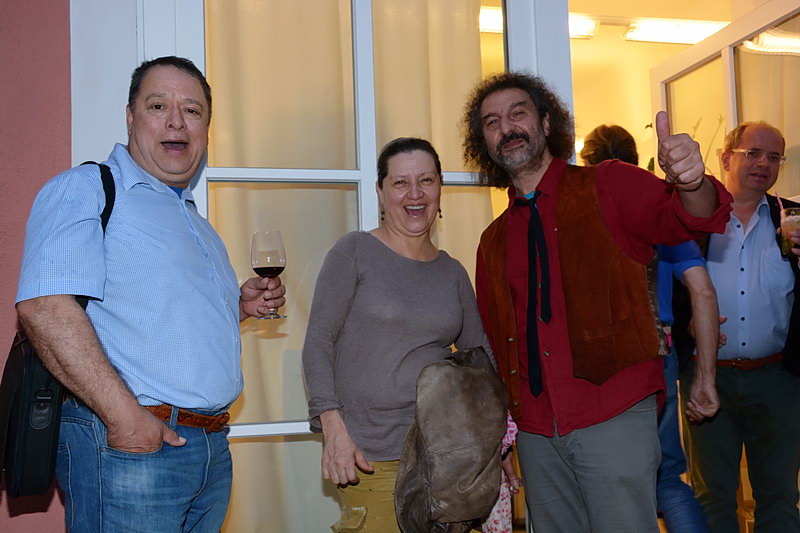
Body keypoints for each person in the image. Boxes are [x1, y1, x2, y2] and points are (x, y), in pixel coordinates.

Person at [15, 56, 286, 532]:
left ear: (206, 128)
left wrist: (236, 308)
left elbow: (156, 321)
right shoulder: (88, 188)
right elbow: (44, 307)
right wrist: (125, 419)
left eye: (193, 111)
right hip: (132, 449)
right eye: (158, 106)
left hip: (209, 449)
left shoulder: (193, 219)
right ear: (130, 116)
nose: (176, 121)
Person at [462, 71, 733, 533]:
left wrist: (692, 182)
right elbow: (495, 346)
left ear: (547, 122)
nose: (506, 128)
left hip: (614, 412)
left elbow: (688, 219)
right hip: (536, 430)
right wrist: (501, 436)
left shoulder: (608, 184)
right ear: (483, 141)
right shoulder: (493, 240)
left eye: (518, 113)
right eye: (492, 122)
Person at [302, 137, 500, 533]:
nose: (415, 194)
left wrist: (497, 441)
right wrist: (333, 429)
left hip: (448, 458)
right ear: (380, 191)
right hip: (371, 455)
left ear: (439, 188)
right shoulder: (354, 252)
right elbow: (318, 343)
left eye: (426, 180)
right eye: (400, 183)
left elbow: (480, 362)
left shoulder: (452, 272)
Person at [581, 124, 719, 533]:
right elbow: (703, 292)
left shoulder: (577, 217)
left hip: (597, 361)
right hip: (658, 351)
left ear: (585, 164)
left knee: (599, 477)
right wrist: (706, 378)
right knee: (666, 475)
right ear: (636, 159)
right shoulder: (655, 211)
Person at [674, 122, 800, 533]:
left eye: (774, 156)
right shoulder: (693, 219)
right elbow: (667, 286)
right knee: (711, 499)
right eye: (753, 153)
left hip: (779, 380)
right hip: (708, 377)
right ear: (726, 159)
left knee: (780, 496)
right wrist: (688, 325)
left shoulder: (792, 219)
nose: (763, 163)